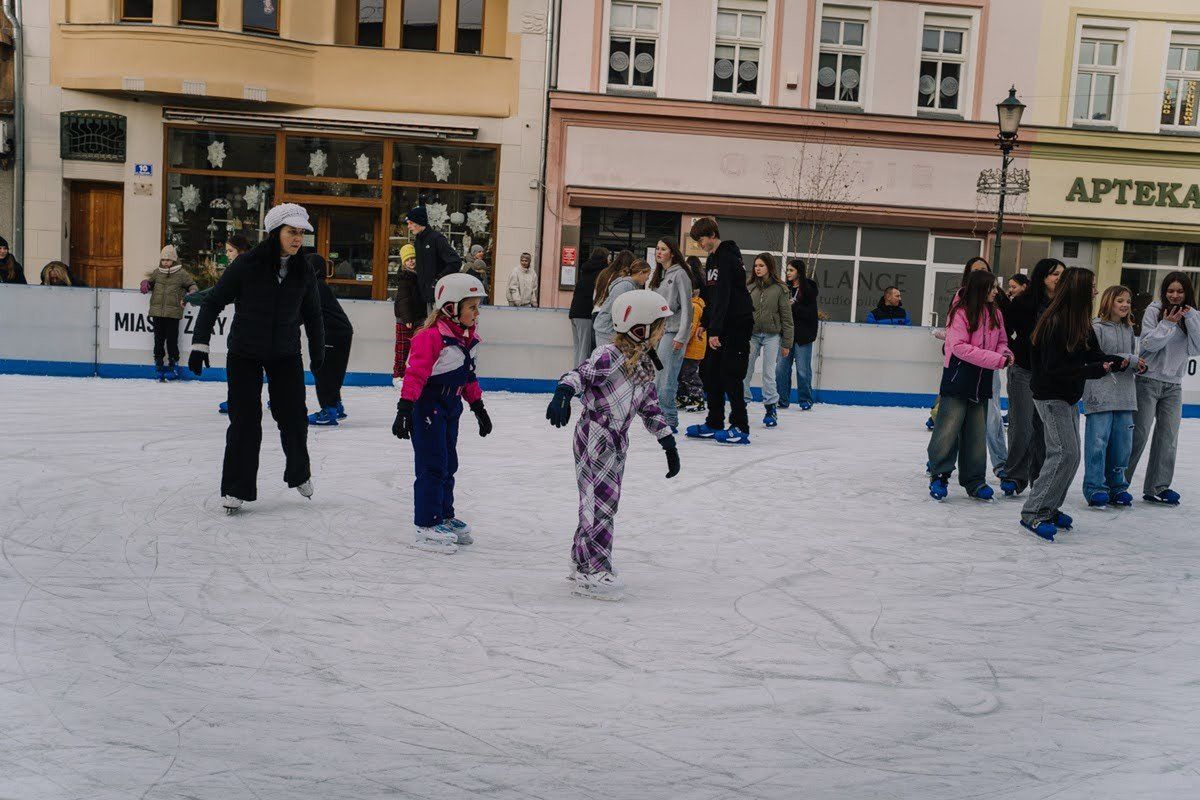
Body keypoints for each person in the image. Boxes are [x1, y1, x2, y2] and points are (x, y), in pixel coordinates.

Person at [188, 203, 325, 515]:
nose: (297, 238)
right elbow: (213, 301)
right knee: (245, 420)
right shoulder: (247, 264)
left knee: (293, 416)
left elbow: (314, 314)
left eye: (301, 233)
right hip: (245, 352)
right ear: (275, 232)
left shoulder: (304, 269)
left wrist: (318, 352)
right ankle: (236, 488)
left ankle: (299, 473)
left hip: (286, 353)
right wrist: (199, 344)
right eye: (291, 232)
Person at [546, 290, 678, 601]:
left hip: (617, 440)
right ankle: (593, 570)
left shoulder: (645, 365)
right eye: (659, 327)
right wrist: (563, 393)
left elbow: (649, 406)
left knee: (604, 501)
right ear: (640, 328)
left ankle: (582, 558)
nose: (662, 334)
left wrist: (667, 441)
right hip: (595, 434)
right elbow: (579, 375)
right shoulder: (608, 356)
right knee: (599, 503)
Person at [391, 273, 493, 554]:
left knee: (449, 464)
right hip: (428, 406)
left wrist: (478, 407)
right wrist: (404, 409)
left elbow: (467, 377)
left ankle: (444, 515)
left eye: (478, 307)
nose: (477, 313)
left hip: (451, 406)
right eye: (472, 307)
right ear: (450, 307)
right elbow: (415, 376)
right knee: (432, 465)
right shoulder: (430, 337)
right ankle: (427, 524)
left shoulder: (467, 339)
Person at [1021, 267, 1124, 541]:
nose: (1096, 291)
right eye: (1091, 286)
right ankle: (1033, 512)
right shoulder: (1054, 321)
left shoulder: (1080, 321)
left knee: (1071, 455)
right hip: (1050, 396)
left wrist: (1114, 361)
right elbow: (1054, 368)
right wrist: (1094, 370)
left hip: (1068, 396)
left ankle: (1049, 507)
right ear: (1078, 290)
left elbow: (1093, 354)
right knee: (1063, 453)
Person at [927, 270, 1013, 502]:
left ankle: (974, 480)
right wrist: (995, 359)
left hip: (982, 379)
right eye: (992, 287)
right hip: (959, 375)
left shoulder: (996, 313)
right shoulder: (961, 312)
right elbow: (959, 347)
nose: (996, 292)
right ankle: (939, 474)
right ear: (980, 289)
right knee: (948, 428)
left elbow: (1002, 341)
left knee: (976, 433)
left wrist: (1005, 353)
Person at [1127, 271, 1200, 505]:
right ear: (1164, 291)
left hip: (1173, 386)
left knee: (1168, 437)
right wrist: (1167, 324)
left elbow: (1197, 348)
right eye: (1170, 291)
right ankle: (1118, 484)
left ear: (1187, 292)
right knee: (1138, 435)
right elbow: (1148, 345)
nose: (1175, 295)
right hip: (1147, 382)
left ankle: (1157, 487)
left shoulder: (1193, 315)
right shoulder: (1154, 310)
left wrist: (1190, 318)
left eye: (1180, 291)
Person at [685, 217, 755, 445]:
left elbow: (725, 294)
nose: (700, 245)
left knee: (731, 375)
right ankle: (714, 422)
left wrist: (714, 330)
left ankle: (740, 426)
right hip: (720, 323)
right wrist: (705, 322)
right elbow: (711, 295)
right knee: (710, 373)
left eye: (701, 240)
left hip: (737, 323)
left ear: (712, 235)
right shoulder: (712, 259)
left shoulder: (727, 257)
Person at [1003, 258, 1065, 495]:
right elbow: (1005, 331)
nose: (1059, 278)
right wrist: (1015, 350)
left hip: (1049, 374)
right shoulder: (1024, 301)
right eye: (1054, 274)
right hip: (1024, 369)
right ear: (1042, 276)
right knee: (1022, 426)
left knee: (1044, 429)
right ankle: (1014, 475)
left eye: (1062, 274)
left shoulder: (1064, 303)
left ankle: (1039, 477)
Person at [1082, 285, 1141, 508]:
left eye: (1128, 301)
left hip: (1125, 394)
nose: (1125, 305)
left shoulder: (1128, 329)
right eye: (1120, 300)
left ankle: (1117, 486)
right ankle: (1095, 487)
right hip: (1100, 393)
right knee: (1098, 443)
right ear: (1108, 302)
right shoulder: (1095, 328)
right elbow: (1095, 358)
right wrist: (1129, 359)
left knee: (1122, 444)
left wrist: (1136, 365)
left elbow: (1128, 360)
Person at [743, 253, 792, 428]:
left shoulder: (780, 289)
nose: (757, 268)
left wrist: (786, 343)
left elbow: (787, 318)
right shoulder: (749, 287)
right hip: (752, 335)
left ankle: (771, 409)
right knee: (744, 371)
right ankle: (741, 406)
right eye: (756, 265)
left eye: (761, 265)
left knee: (768, 373)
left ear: (769, 267)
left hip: (772, 335)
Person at [305, 253, 354, 427]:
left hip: (332, 332)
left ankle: (329, 410)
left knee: (322, 370)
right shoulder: (320, 285)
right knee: (332, 370)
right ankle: (336, 406)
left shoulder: (314, 286)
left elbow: (302, 312)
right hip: (341, 332)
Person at [650, 237, 692, 431]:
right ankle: (661, 416)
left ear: (672, 253)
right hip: (659, 334)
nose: (659, 252)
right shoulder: (660, 275)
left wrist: (681, 336)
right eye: (657, 248)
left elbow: (687, 308)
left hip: (673, 333)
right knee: (658, 378)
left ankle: (670, 420)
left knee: (667, 378)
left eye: (663, 249)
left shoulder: (680, 274)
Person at [141, 245, 197, 382]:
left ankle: (173, 364)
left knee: (172, 340)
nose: (165, 262)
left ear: (174, 260)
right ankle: (159, 363)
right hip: (157, 313)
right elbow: (150, 283)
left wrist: (192, 292)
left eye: (168, 260)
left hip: (173, 313)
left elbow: (192, 285)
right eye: (163, 259)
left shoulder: (181, 273)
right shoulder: (157, 272)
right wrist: (145, 283)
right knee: (158, 340)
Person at [777, 258, 819, 411]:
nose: (788, 273)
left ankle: (805, 400)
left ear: (799, 272)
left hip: (803, 336)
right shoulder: (784, 288)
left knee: (802, 370)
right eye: (787, 270)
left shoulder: (809, 289)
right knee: (781, 369)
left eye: (791, 270)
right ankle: (782, 399)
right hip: (786, 336)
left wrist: (793, 307)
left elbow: (810, 314)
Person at [406, 205, 462, 309]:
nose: (408, 226)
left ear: (420, 222)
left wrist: (438, 280)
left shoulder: (437, 239)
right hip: (423, 296)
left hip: (439, 297)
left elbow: (455, 262)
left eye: (411, 223)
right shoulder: (418, 241)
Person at [593, 257, 649, 347]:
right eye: (647, 275)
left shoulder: (631, 285)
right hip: (606, 329)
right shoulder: (625, 285)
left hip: (609, 329)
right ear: (641, 273)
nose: (648, 278)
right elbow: (617, 309)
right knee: (606, 356)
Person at [569, 247, 608, 366]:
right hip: (585, 314)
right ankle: (581, 375)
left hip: (574, 313)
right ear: (604, 258)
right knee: (585, 350)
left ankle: (575, 373)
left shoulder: (585, 270)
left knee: (578, 348)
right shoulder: (601, 274)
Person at [393, 243, 424, 384]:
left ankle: (413, 376)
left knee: (419, 349)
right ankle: (398, 376)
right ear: (403, 262)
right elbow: (403, 300)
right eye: (407, 259)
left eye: (413, 258)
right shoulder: (405, 277)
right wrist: (407, 319)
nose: (411, 261)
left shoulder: (419, 274)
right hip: (406, 320)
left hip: (419, 318)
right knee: (402, 349)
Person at [677, 269, 707, 413]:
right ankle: (684, 398)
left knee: (689, 373)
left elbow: (691, 327)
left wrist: (682, 341)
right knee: (682, 374)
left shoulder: (694, 306)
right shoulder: (694, 304)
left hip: (692, 347)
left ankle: (698, 399)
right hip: (690, 347)